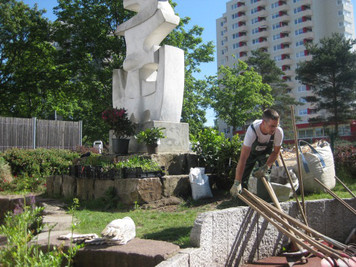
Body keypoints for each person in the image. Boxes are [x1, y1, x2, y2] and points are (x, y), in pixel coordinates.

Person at [230, 109, 284, 200]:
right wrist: (237, 181)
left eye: (276, 125)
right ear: (263, 122)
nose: (274, 129)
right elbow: (243, 158)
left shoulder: (278, 132)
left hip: (265, 154)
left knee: (264, 175)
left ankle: (264, 200)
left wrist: (267, 166)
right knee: (242, 176)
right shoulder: (252, 131)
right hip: (251, 153)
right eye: (272, 126)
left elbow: (275, 152)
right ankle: (242, 199)